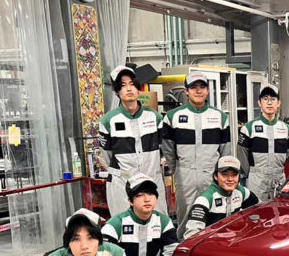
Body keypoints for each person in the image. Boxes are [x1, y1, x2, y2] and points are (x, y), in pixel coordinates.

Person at [161, 71, 231, 224]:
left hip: (212, 175)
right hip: (185, 176)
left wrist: (222, 173)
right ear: (186, 91)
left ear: (208, 90)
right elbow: (168, 149)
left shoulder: (220, 117)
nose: (198, 91)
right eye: (194, 87)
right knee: (185, 217)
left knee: (215, 216)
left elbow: (226, 151)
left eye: (202, 87)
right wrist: (178, 169)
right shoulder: (172, 117)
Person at [98, 65, 167, 216]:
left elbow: (163, 148)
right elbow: (107, 156)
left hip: (152, 181)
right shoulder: (108, 121)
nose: (129, 89)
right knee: (124, 224)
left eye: (132, 84)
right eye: (123, 85)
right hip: (122, 184)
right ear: (116, 91)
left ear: (138, 87)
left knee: (158, 224)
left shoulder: (155, 117)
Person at [178, 155, 259, 241]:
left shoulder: (242, 192)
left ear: (239, 177)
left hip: (235, 242)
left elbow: (260, 209)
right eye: (225, 175)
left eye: (234, 175)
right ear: (215, 176)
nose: (230, 179)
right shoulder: (205, 200)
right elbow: (191, 236)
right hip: (211, 244)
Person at [237, 85, 289, 201]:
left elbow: (288, 152)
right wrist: (252, 173)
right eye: (265, 99)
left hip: (279, 178)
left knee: (279, 209)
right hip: (257, 180)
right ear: (259, 103)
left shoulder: (286, 129)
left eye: (273, 99)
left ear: (278, 103)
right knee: (256, 210)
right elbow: (241, 154)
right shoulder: (249, 128)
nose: (269, 103)